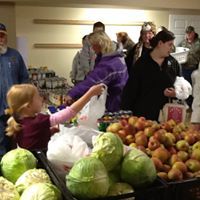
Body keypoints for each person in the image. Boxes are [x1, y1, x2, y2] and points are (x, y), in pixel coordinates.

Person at [5, 83, 104, 150]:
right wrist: (90, 93)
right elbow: (70, 112)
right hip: (41, 163)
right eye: (38, 96)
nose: (42, 98)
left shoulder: (18, 121)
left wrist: (48, 132)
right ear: (28, 106)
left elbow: (32, 138)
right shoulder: (38, 121)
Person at [121, 30, 181, 121]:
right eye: (169, 44)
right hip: (143, 116)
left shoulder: (173, 63)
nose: (172, 48)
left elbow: (181, 85)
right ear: (160, 43)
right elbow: (130, 91)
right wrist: (126, 115)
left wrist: (176, 93)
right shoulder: (142, 63)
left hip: (166, 118)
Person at [65, 31, 128, 112]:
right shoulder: (115, 54)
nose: (92, 48)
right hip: (119, 98)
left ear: (100, 44)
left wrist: (71, 94)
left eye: (93, 45)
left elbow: (93, 81)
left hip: (114, 104)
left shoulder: (110, 63)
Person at [0, 23, 29, 158]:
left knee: (16, 143)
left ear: (6, 37)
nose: (0, 38)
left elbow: (24, 79)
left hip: (14, 110)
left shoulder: (15, 55)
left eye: (2, 35)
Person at [179, 26, 200, 107]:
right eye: (187, 33)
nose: (188, 35)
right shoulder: (183, 43)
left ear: (193, 33)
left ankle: (194, 105)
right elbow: (176, 50)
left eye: (190, 33)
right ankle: (188, 105)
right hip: (184, 68)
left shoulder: (198, 42)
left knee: (195, 88)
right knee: (186, 87)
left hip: (194, 69)